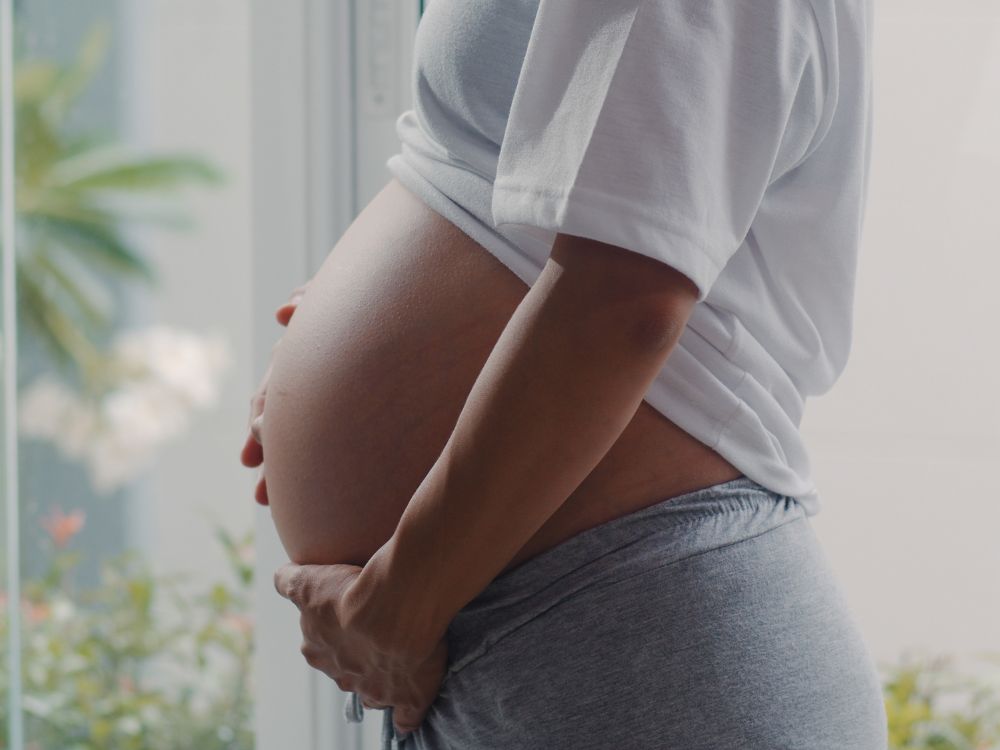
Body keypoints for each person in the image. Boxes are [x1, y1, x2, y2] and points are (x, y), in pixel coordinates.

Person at [241, 0, 887, 747]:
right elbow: (511, 173)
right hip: (558, 638)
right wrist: (359, 312)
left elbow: (624, 303)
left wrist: (396, 609)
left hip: (635, 644)